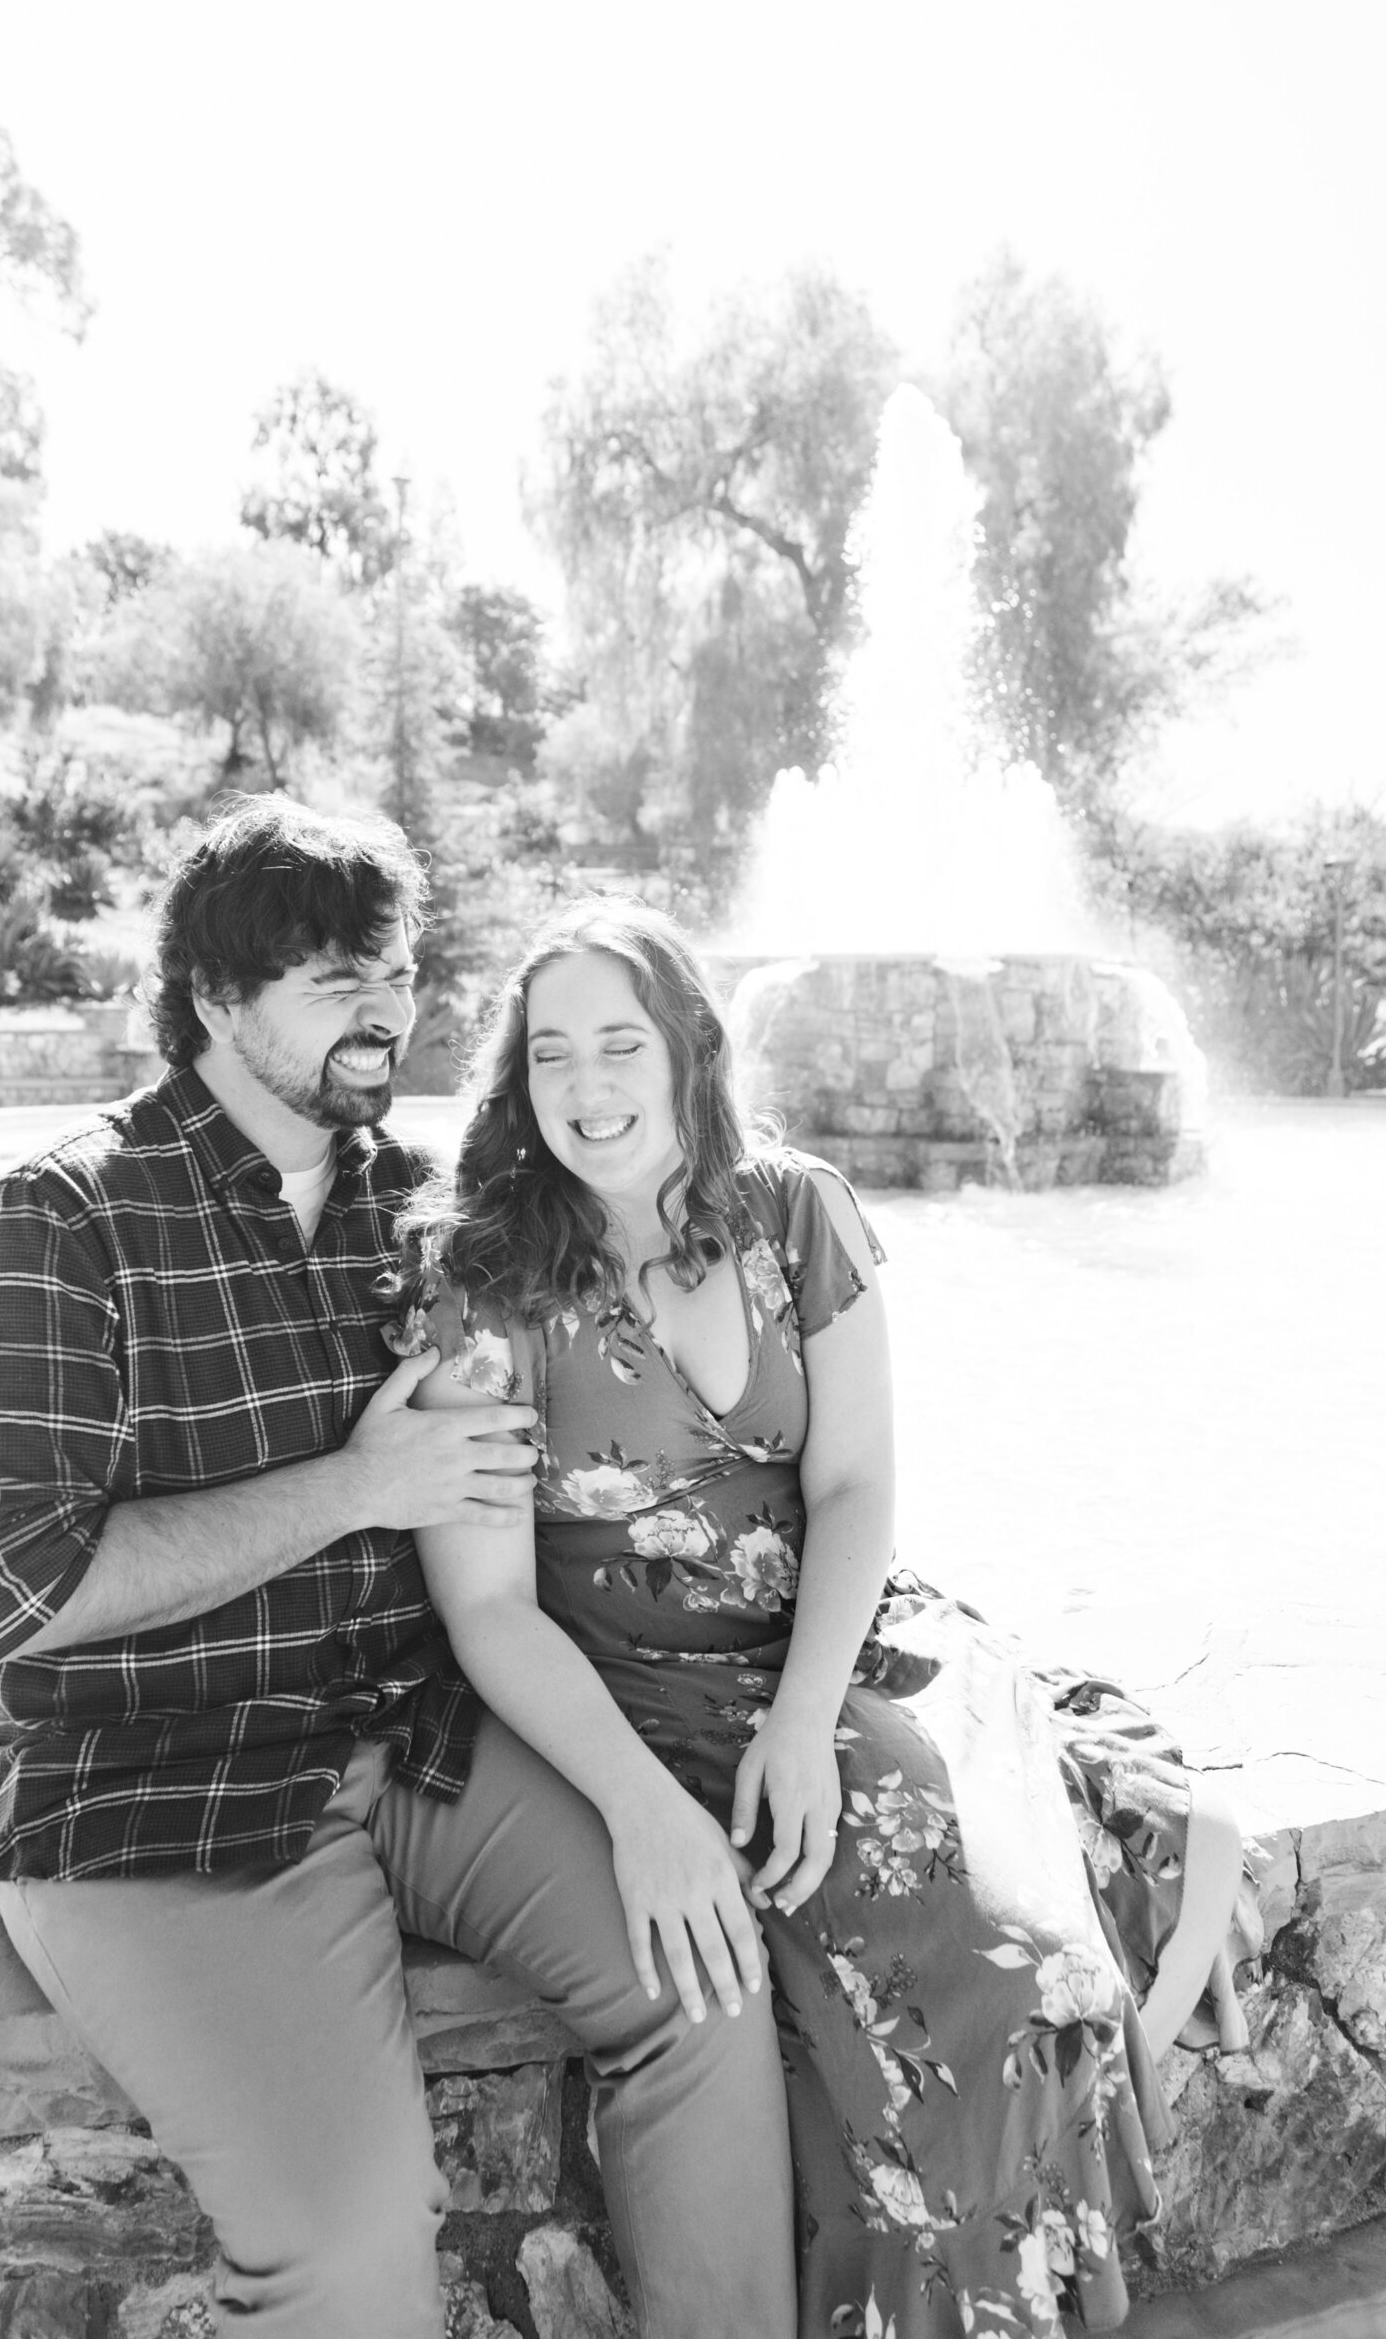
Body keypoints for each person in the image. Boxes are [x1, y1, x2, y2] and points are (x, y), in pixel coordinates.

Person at [0, 802, 796, 2339]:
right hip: (154, 1793)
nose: (386, 1007)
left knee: (704, 1985)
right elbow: (12, 1593)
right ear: (214, 996)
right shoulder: (61, 1221)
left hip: (420, 1744)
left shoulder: (429, 1209)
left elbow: (668, 1260)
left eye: (395, 968)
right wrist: (353, 1487)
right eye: (335, 980)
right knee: (345, 2241)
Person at [388, 895, 1259, 2339]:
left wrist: (803, 1723)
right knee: (885, 2000)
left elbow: (855, 1482)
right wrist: (644, 1814)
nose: (590, 1091)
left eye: (623, 1045)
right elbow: (487, 1611)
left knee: (1013, 1961)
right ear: (516, 1078)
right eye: (554, 1056)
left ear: (689, 1051)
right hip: (636, 1696)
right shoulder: (483, 1285)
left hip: (844, 1648)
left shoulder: (799, 1210)